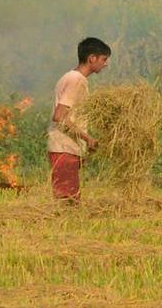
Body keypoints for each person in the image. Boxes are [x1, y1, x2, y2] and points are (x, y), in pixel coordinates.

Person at [47, 37, 110, 203]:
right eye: (104, 59)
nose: (106, 64)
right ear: (92, 59)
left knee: (70, 200)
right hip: (64, 148)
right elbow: (59, 116)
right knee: (68, 202)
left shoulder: (70, 77)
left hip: (67, 148)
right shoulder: (77, 80)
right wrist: (87, 138)